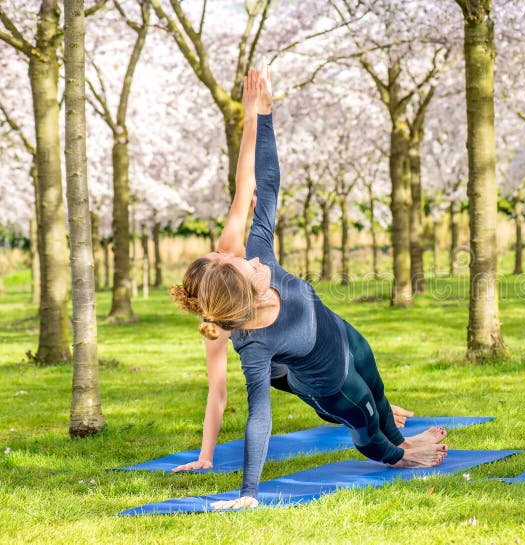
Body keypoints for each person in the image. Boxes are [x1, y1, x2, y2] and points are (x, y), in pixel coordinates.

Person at [170, 64, 447, 509]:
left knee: (376, 385)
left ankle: (401, 437)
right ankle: (397, 456)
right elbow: (259, 416)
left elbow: (267, 184)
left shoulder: (259, 253)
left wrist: (263, 116)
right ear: (249, 293)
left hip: (345, 336)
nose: (239, 256)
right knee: (364, 421)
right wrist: (248, 493)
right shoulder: (252, 347)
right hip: (329, 382)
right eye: (233, 264)